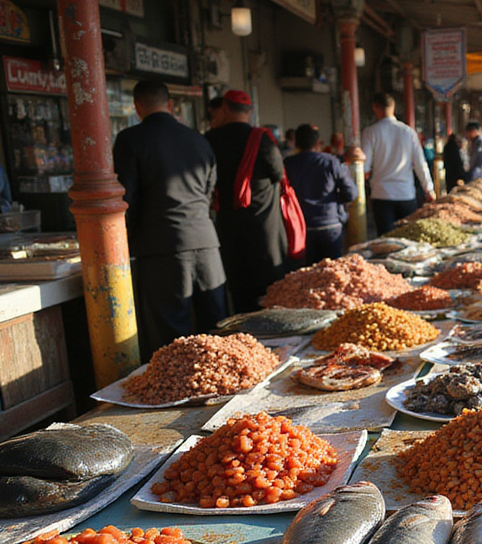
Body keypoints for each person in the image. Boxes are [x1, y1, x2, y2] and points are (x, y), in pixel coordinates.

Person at [111, 79, 226, 359]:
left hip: (161, 248)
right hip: (206, 244)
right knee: (217, 332)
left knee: (172, 336)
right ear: (171, 104)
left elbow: (125, 198)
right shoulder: (199, 139)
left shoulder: (130, 139)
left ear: (137, 107)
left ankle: (182, 401)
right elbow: (210, 190)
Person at [206, 89, 287, 312]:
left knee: (239, 287)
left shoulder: (210, 139)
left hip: (228, 226)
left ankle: (244, 333)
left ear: (223, 109)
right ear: (249, 112)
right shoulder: (261, 138)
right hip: (263, 227)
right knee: (269, 289)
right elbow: (278, 174)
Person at [360, 92, 434, 234]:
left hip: (382, 195)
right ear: (393, 108)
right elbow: (420, 164)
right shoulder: (408, 132)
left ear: (375, 108)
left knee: (385, 240)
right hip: (406, 194)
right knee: (407, 240)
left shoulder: (370, 132)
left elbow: (364, 168)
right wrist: (428, 189)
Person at [283, 123, 358, 264]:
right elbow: (351, 193)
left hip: (301, 228)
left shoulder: (288, 164)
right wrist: (336, 200)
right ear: (318, 142)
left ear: (296, 143)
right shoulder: (330, 162)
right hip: (330, 226)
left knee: (306, 275)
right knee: (332, 274)